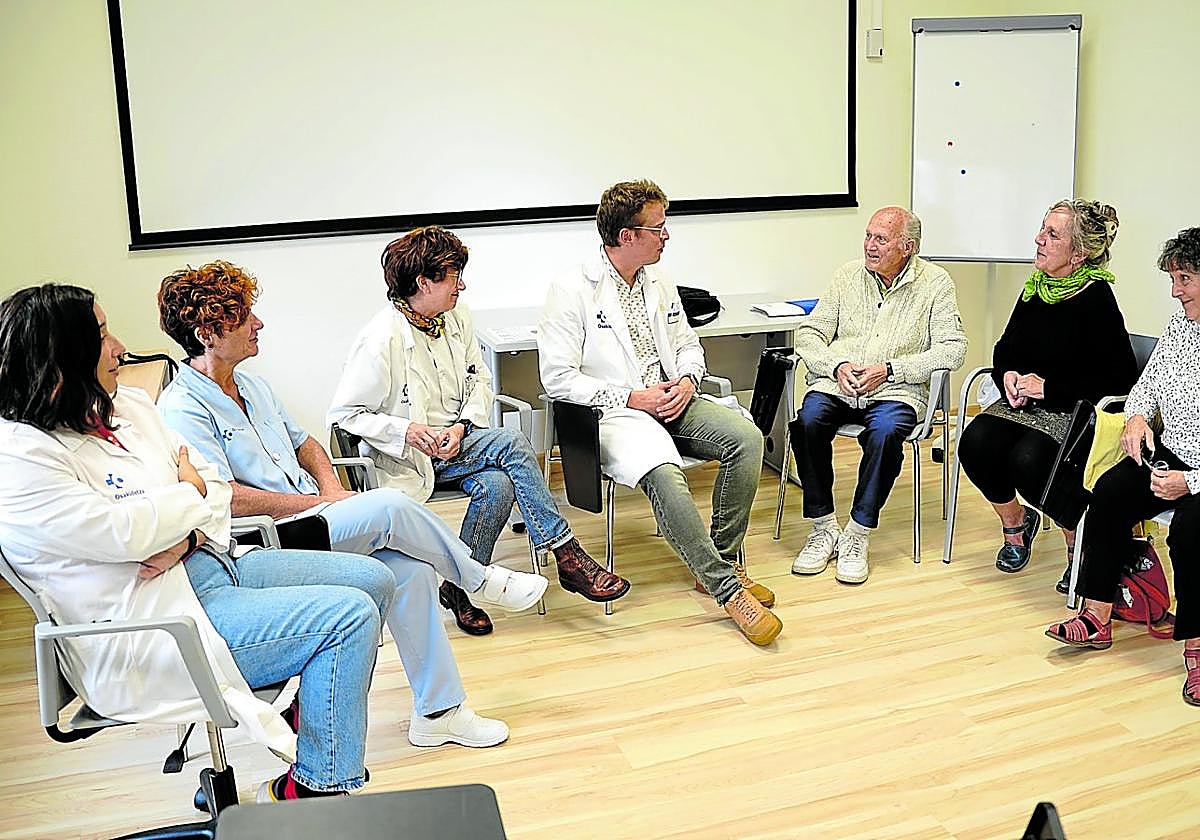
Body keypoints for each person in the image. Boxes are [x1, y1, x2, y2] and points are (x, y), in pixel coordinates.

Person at [0, 284, 395, 802]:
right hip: (149, 628)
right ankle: (314, 790)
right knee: (347, 618)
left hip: (205, 565)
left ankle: (314, 715)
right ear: (60, 361)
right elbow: (128, 532)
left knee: (374, 579)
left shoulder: (128, 406)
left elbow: (213, 485)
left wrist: (184, 532)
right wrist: (188, 494)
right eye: (101, 335)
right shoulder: (21, 458)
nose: (120, 347)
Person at [156, 261, 536, 747]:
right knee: (390, 506)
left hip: (313, 516)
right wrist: (311, 502)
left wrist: (331, 490)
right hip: (263, 540)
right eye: (245, 316)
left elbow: (306, 443)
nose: (259, 324)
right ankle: (477, 579)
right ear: (207, 334)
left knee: (410, 571)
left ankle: (439, 712)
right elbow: (223, 496)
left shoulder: (252, 385)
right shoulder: (181, 407)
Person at [328, 227, 631, 636]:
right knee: (512, 442)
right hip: (412, 457)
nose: (462, 286)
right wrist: (408, 430)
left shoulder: (457, 317)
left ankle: (457, 588)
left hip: (460, 443)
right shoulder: (380, 338)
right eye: (454, 277)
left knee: (498, 486)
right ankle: (566, 554)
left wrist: (461, 426)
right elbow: (346, 414)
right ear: (424, 282)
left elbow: (479, 379)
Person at [538, 179, 782, 646]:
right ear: (627, 235)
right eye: (658, 228)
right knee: (665, 475)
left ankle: (719, 560)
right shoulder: (570, 290)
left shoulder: (659, 280)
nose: (666, 235)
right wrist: (633, 398)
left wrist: (687, 381)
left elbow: (688, 343)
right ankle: (727, 590)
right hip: (615, 414)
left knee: (747, 440)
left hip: (674, 400)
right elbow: (558, 379)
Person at [1045, 227, 1200, 706]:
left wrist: (1191, 482)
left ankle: (1197, 651)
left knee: (1191, 532)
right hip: (1174, 451)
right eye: (1172, 279)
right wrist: (1135, 417)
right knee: (1110, 494)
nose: (1175, 291)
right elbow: (1148, 383)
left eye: (1185, 279)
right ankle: (1096, 616)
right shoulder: (1181, 326)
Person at [958, 200, 1136, 590]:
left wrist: (1049, 387)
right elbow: (1005, 348)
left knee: (1029, 460)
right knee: (975, 442)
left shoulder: (1097, 298)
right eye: (1042, 229)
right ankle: (1017, 524)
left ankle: (1080, 544)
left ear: (1079, 253)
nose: (1038, 239)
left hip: (1074, 407)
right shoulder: (1037, 288)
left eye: (1052, 234)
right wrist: (1008, 375)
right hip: (1026, 404)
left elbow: (1120, 379)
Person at [790, 206, 966, 583]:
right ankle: (824, 527)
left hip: (896, 391)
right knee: (806, 422)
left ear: (908, 247)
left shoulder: (936, 283)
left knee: (885, 434)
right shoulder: (847, 275)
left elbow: (953, 349)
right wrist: (836, 365)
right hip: (837, 385)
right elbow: (809, 333)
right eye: (868, 236)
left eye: (881, 239)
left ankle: (857, 533)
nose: (870, 245)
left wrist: (890, 369)